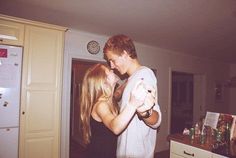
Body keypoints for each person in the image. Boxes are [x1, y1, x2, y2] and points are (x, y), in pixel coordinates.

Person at [103, 34, 162, 158]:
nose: (112, 66)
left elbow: (156, 120)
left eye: (112, 60)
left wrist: (145, 112)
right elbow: (119, 96)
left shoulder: (144, 75)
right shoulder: (131, 79)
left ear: (125, 54)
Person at [79, 63, 155, 158]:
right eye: (108, 71)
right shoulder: (101, 105)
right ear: (104, 81)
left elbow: (117, 93)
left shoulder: (110, 100)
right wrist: (133, 103)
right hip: (100, 153)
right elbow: (115, 128)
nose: (111, 70)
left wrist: (129, 81)